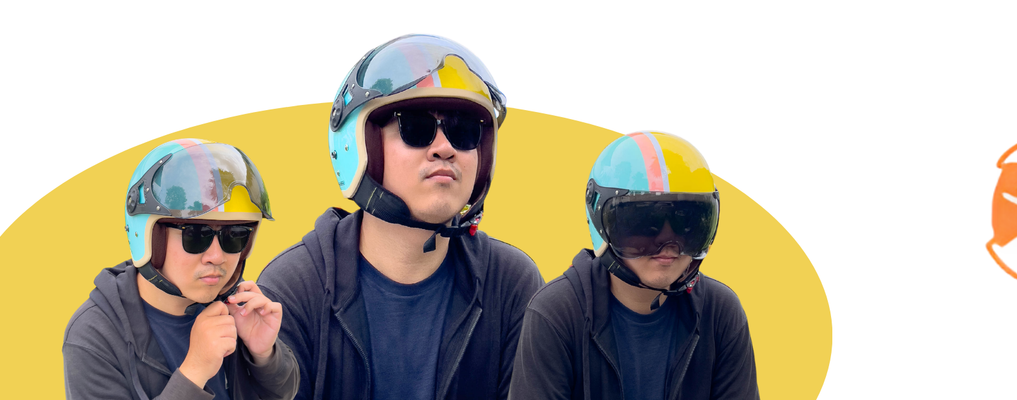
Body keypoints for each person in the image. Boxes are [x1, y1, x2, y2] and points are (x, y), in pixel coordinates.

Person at [255, 34, 543, 400]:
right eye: (416, 127)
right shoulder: (293, 289)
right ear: (363, 147)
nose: (445, 148)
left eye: (464, 131)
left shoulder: (511, 284)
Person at [510, 131, 760, 399]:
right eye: (645, 222)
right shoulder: (556, 313)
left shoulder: (720, 313)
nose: (668, 243)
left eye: (685, 222)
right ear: (601, 223)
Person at [63, 139, 298, 400]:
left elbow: (283, 394)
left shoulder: (239, 309)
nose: (217, 257)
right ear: (151, 237)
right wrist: (194, 372)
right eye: (195, 235)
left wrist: (265, 356)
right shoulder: (94, 335)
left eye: (235, 235)